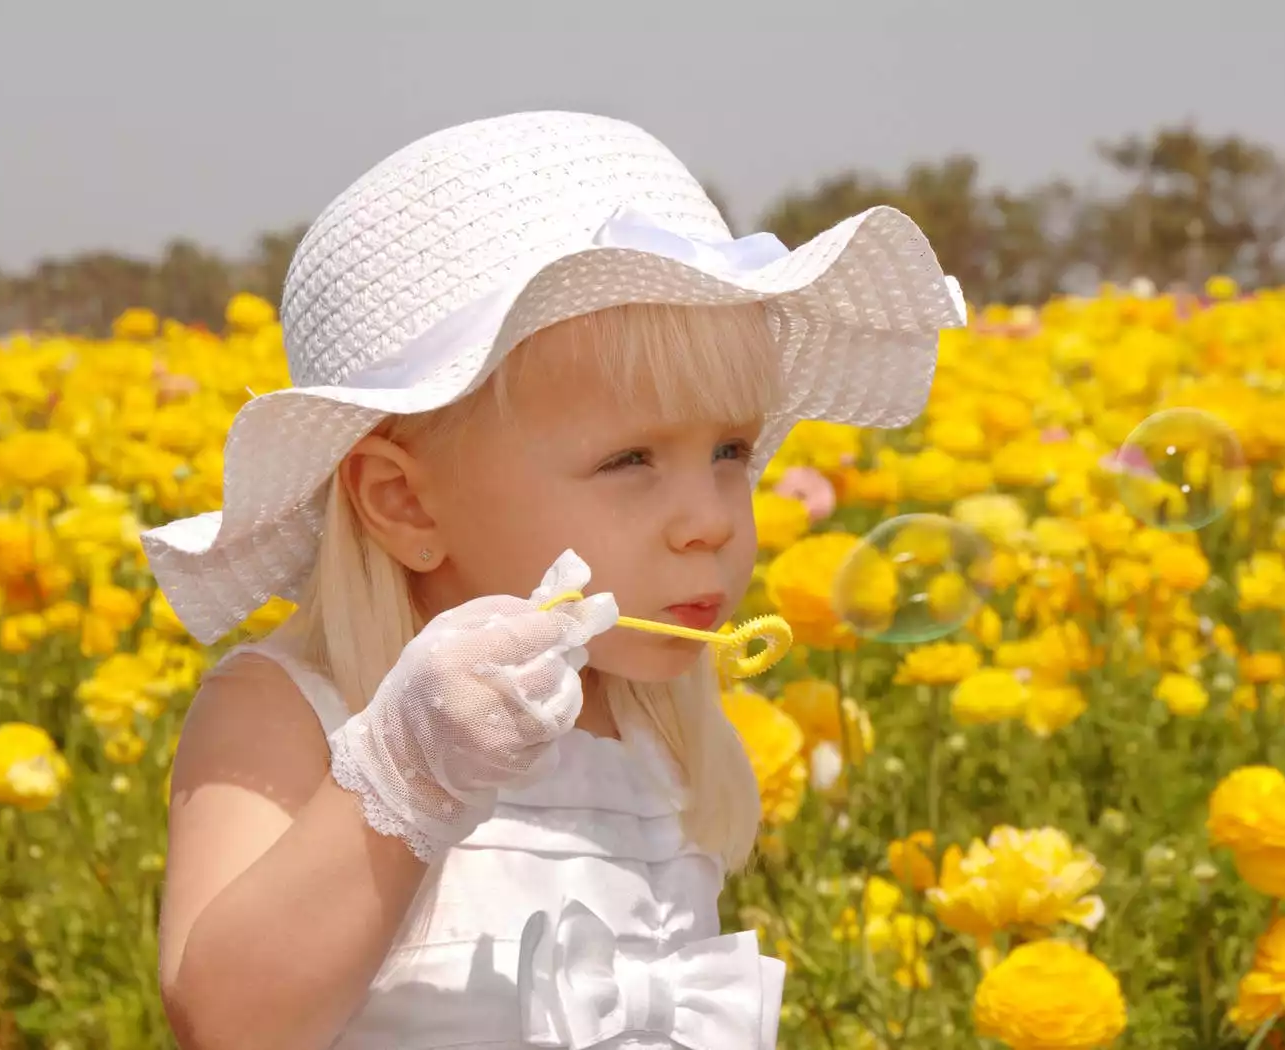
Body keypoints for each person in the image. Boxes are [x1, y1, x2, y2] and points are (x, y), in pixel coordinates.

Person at [142, 110, 963, 1050]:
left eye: (730, 448)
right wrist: (411, 772)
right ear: (407, 506)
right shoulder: (290, 713)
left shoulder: (646, 722)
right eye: (631, 459)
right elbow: (228, 1022)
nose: (712, 519)